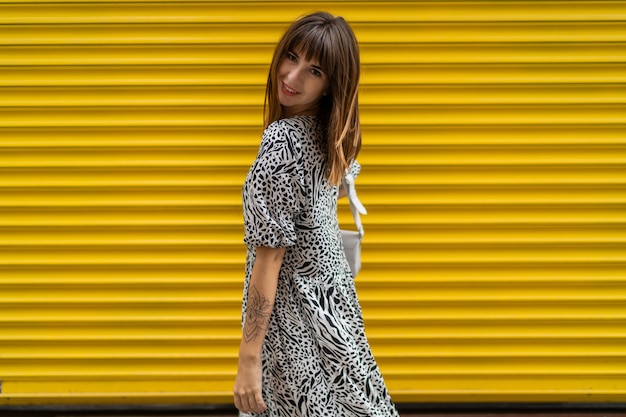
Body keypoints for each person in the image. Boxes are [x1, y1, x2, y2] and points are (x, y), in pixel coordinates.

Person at [234, 11, 400, 417]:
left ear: (330, 86)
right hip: (335, 309)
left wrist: (248, 358)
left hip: (295, 323)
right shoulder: (331, 134)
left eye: (314, 71)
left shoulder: (282, 142)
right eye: (290, 57)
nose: (291, 77)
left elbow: (269, 258)